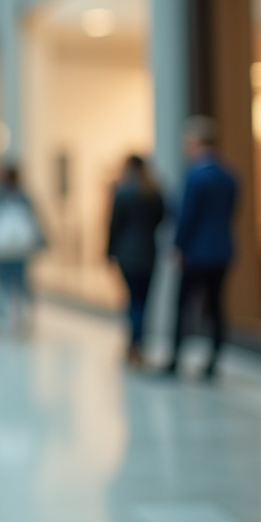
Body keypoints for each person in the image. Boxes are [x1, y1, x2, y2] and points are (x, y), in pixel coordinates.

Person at [164, 116, 238, 381]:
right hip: (222, 250)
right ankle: (214, 360)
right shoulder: (228, 175)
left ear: (196, 142)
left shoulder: (194, 175)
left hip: (196, 252)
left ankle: (175, 359)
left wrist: (178, 246)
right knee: (216, 307)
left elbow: (186, 216)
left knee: (183, 305)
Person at [106, 155, 165, 368]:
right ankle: (138, 344)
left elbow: (114, 225)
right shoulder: (154, 191)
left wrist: (108, 252)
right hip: (148, 252)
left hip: (127, 254)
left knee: (133, 300)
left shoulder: (122, 192)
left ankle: (134, 346)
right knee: (143, 301)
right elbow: (162, 218)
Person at [0, 166, 45, 329]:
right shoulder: (23, 197)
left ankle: (2, 316)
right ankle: (21, 314)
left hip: (2, 250)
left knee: (2, 281)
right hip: (20, 250)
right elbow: (35, 221)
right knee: (20, 281)